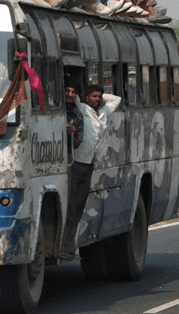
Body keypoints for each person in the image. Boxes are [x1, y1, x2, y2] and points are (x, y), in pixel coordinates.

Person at [62, 84, 121, 260]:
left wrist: (102, 99)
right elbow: (74, 97)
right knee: (70, 208)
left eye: (99, 97)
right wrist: (80, 94)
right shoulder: (81, 108)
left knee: (78, 208)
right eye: (93, 96)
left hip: (88, 165)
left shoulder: (103, 112)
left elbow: (117, 100)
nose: (96, 99)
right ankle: (65, 248)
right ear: (86, 97)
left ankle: (70, 247)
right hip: (75, 164)